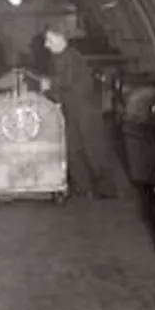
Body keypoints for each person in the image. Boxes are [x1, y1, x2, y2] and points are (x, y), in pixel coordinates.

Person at [40, 22, 121, 199]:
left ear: (60, 38)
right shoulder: (59, 56)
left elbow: (65, 80)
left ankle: (107, 190)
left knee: (93, 149)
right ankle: (84, 188)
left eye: (49, 40)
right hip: (73, 109)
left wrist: (49, 84)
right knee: (72, 149)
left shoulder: (70, 56)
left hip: (85, 110)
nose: (46, 45)